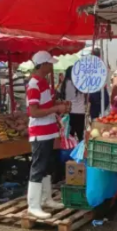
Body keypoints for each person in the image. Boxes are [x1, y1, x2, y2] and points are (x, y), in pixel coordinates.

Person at [26, 51, 69, 220]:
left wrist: (60, 105)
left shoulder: (43, 83)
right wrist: (55, 109)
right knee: (37, 168)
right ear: (42, 65)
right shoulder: (34, 84)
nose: (52, 66)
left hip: (49, 131)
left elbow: (48, 105)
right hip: (39, 133)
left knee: (47, 166)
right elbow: (33, 111)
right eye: (50, 63)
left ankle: (46, 198)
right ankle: (33, 205)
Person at [60, 64, 87, 142]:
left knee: (70, 135)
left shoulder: (66, 83)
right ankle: (81, 152)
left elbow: (66, 99)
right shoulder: (80, 82)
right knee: (80, 135)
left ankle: (70, 151)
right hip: (81, 112)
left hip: (70, 112)